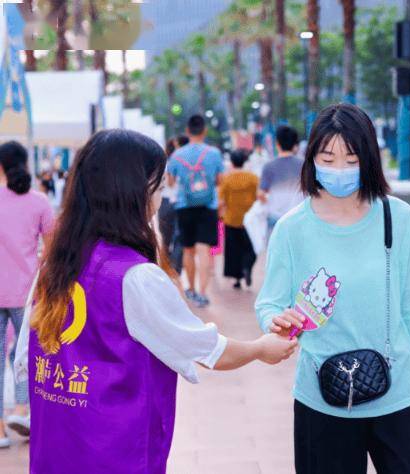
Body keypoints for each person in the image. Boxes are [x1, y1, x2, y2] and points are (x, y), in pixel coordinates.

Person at [13, 129, 297, 474]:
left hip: (55, 450)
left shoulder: (55, 264)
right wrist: (260, 348)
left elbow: (25, 362)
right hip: (115, 453)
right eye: (160, 187)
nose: (162, 197)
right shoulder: (136, 277)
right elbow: (206, 349)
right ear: (134, 193)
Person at [255, 103, 410, 474]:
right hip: (321, 397)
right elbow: (269, 304)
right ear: (312, 160)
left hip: (398, 393)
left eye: (351, 159)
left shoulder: (397, 218)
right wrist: (277, 321)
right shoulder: (292, 229)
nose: (339, 170)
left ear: (369, 160)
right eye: (328, 158)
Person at [0, 142, 54, 448]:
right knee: (28, 355)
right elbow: (53, 246)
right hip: (27, 291)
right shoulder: (39, 202)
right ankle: (22, 410)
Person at [167, 115, 224, 307]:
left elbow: (170, 182)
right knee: (204, 250)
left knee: (188, 250)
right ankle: (203, 292)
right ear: (204, 131)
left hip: (185, 207)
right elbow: (219, 180)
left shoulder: (177, 155)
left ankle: (190, 289)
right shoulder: (214, 153)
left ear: (187, 131)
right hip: (208, 206)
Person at [219, 149, 259, 289]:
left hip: (231, 219)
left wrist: (219, 214)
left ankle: (236, 279)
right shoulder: (253, 178)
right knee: (250, 248)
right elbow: (258, 197)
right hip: (249, 220)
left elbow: (221, 200)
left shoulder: (227, 178)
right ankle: (247, 267)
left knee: (233, 251)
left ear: (232, 162)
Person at [258, 125, 303, 231]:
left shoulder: (269, 166)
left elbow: (260, 194)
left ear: (277, 144)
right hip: (299, 217)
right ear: (295, 145)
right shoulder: (304, 165)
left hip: (275, 218)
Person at [159, 135, 189, 274]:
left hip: (166, 201)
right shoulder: (185, 161)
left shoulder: (164, 161)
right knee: (179, 236)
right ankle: (176, 267)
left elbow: (168, 183)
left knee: (165, 236)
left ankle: (165, 266)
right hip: (182, 201)